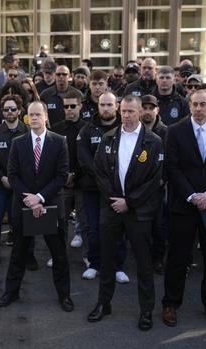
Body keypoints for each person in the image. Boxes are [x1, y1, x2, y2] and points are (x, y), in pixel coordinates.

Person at [88, 95, 163, 331]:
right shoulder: (108, 138)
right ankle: (104, 303)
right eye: (124, 111)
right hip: (111, 209)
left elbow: (154, 180)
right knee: (107, 259)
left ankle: (146, 310)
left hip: (138, 212)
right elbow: (99, 172)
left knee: (143, 263)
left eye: (131, 111)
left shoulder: (153, 141)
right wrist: (116, 200)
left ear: (141, 112)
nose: (127, 116)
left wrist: (129, 202)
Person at [0, 101, 73, 312]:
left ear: (46, 116)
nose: (35, 118)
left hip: (51, 206)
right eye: (31, 115)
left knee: (59, 255)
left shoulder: (59, 142)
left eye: (39, 114)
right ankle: (11, 292)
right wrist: (29, 198)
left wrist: (39, 197)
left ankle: (64, 295)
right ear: (27, 118)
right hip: (23, 205)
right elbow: (12, 175)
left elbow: (61, 176)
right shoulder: (18, 143)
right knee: (18, 253)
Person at [162, 89, 206, 327]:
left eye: (203, 104)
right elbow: (172, 168)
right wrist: (193, 196)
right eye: (195, 104)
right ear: (189, 106)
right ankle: (170, 304)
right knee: (178, 258)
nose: (199, 108)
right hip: (183, 204)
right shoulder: (175, 131)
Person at [77, 92, 128, 282]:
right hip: (92, 188)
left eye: (109, 104)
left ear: (116, 106)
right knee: (93, 228)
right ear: (97, 106)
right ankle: (95, 263)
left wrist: (113, 181)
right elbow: (84, 159)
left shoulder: (124, 128)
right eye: (102, 104)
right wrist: (103, 177)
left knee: (118, 228)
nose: (105, 108)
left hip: (117, 190)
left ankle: (118, 266)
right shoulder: (87, 129)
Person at [0, 95, 28, 269]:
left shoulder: (27, 132)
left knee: (22, 222)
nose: (10, 112)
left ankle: (25, 255)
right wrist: (2, 177)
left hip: (21, 187)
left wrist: (18, 180)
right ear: (2, 111)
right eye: (6, 109)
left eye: (13, 109)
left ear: (19, 110)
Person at [51, 89, 89, 255]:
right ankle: (59, 255)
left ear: (80, 106)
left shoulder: (87, 128)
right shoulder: (57, 129)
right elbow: (52, 157)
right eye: (66, 106)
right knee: (61, 221)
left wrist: (75, 175)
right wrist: (64, 176)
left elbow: (89, 157)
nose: (69, 109)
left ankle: (89, 258)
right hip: (62, 183)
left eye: (73, 106)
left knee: (85, 222)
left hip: (82, 182)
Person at [140, 95, 167, 275]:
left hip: (158, 187)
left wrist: (162, 179)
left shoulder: (165, 132)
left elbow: (170, 160)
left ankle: (157, 259)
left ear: (157, 110)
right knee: (141, 226)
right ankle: (143, 259)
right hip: (139, 187)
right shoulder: (135, 130)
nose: (148, 111)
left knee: (158, 226)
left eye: (151, 107)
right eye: (145, 107)